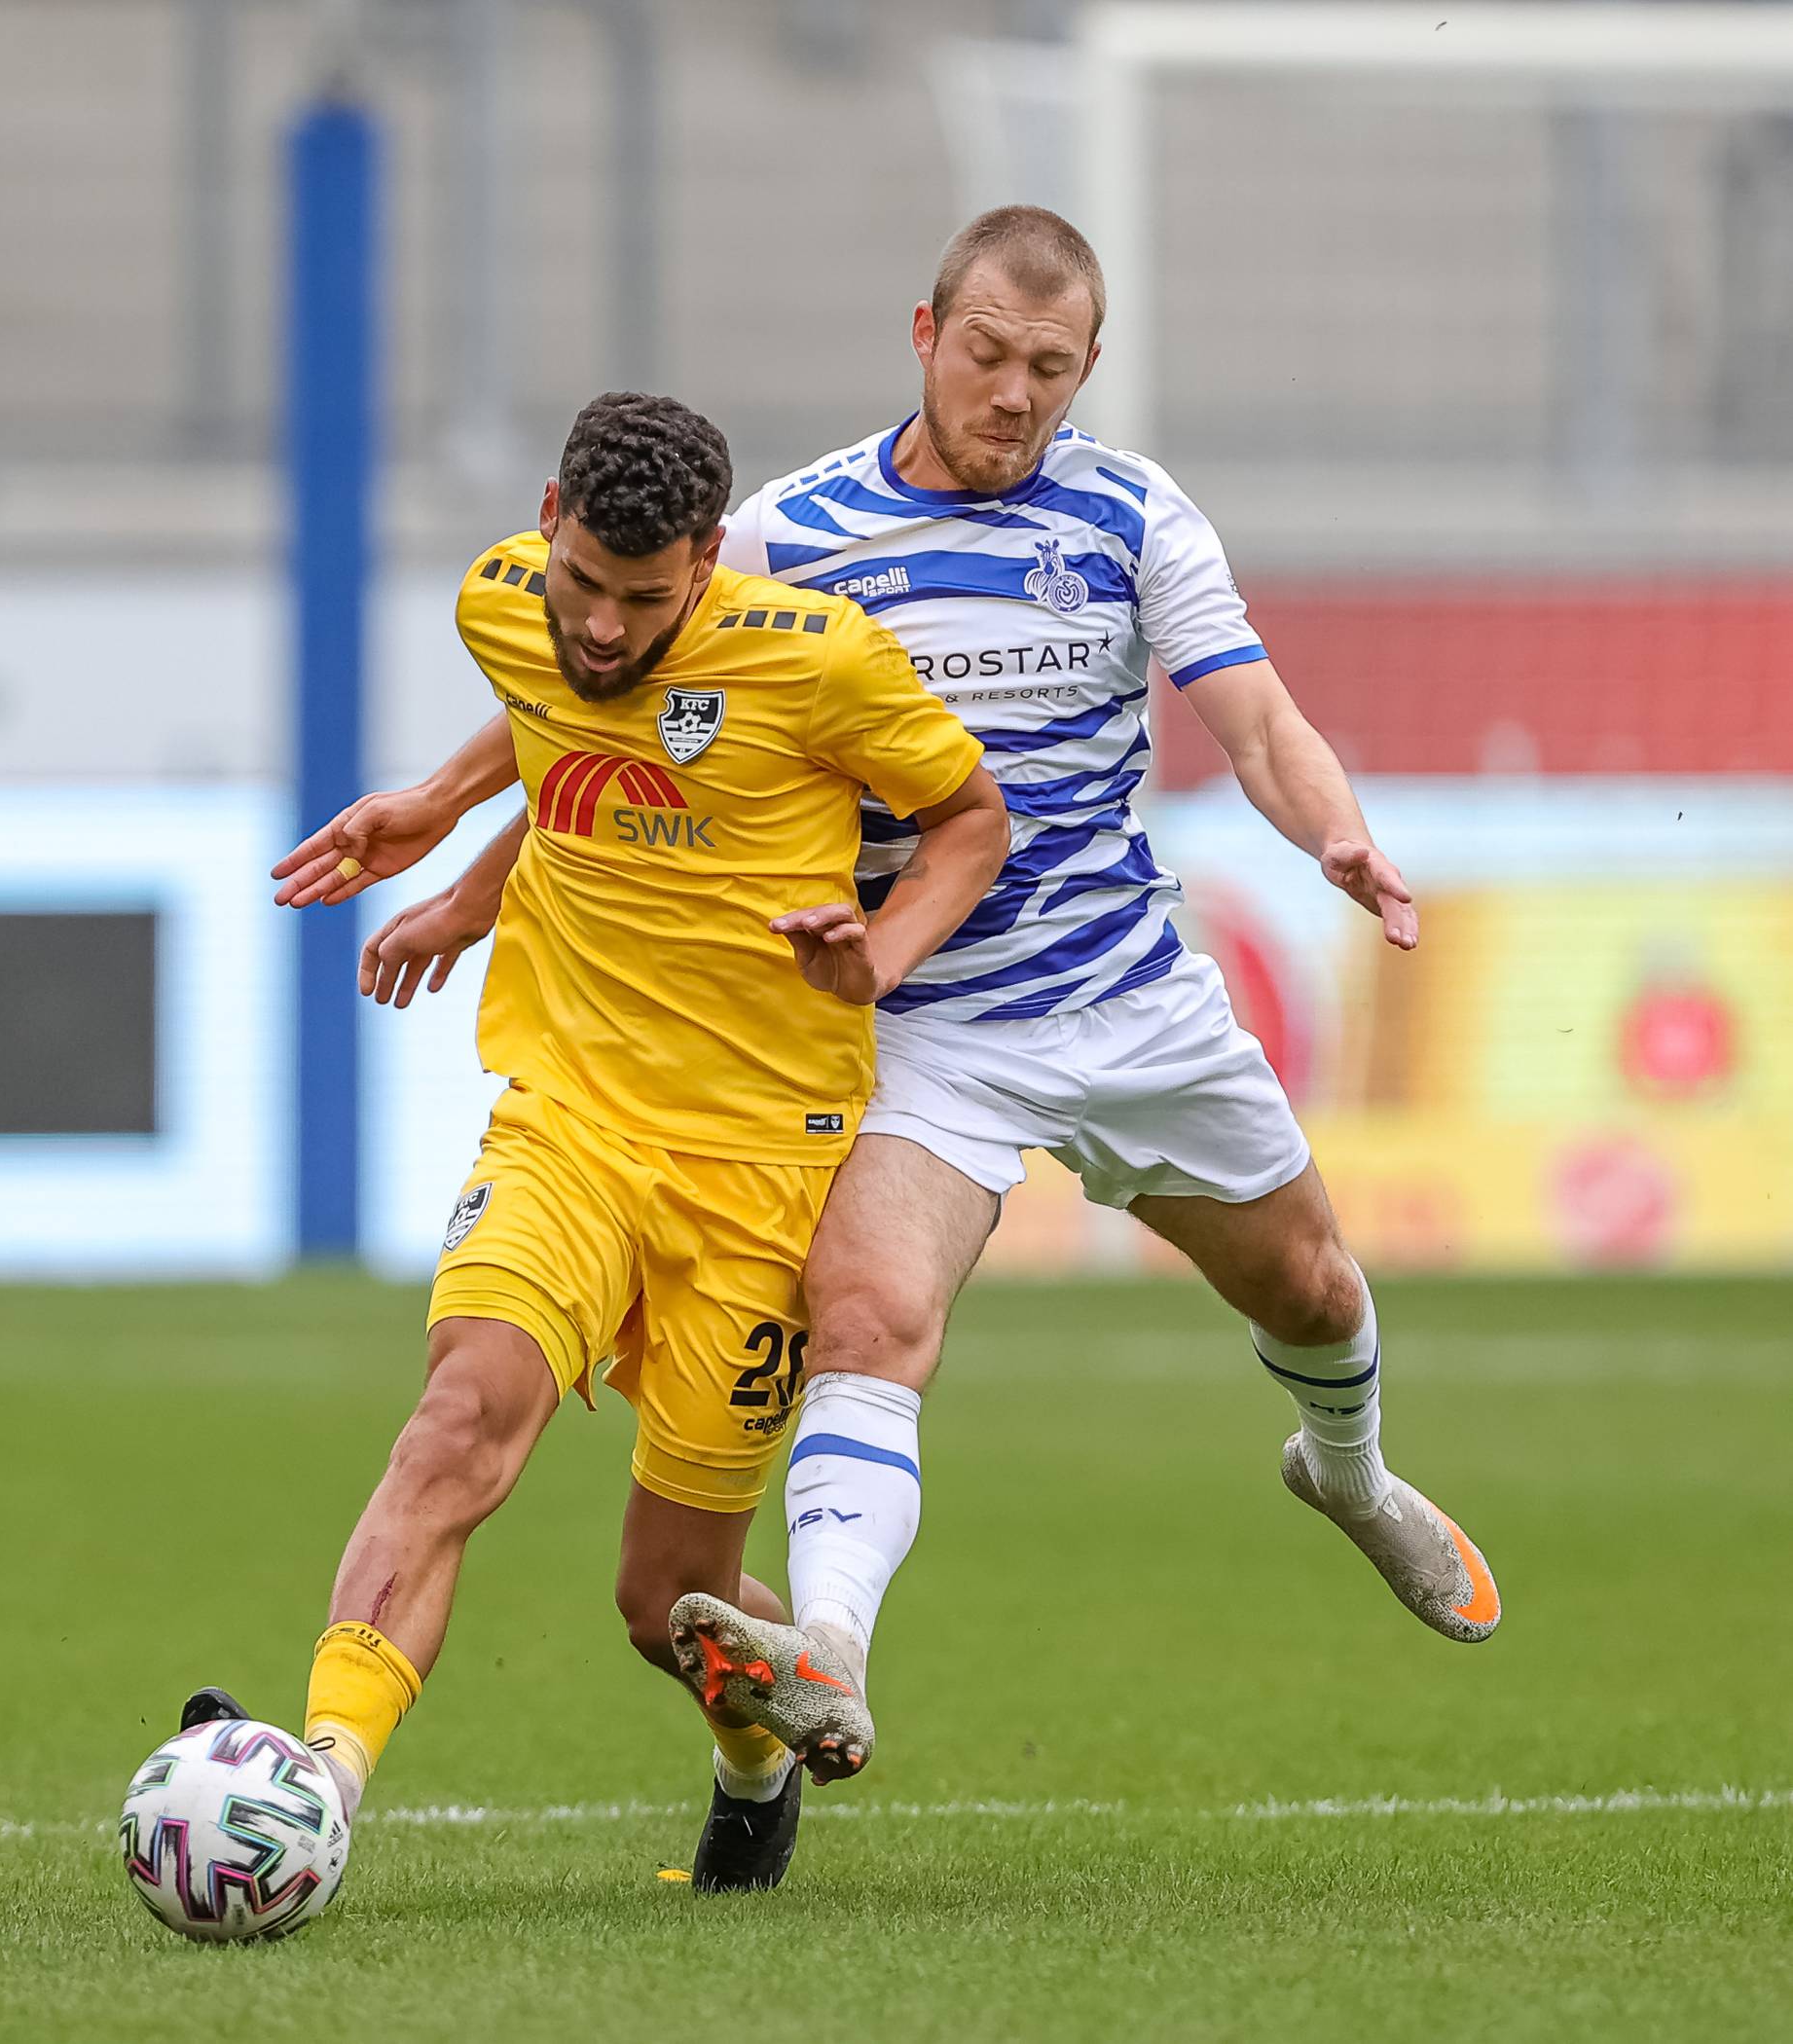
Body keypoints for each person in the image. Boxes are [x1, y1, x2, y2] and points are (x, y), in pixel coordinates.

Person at [271, 207, 1500, 1794]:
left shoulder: (1133, 515)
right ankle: (827, 1654)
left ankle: (1353, 1478)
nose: (1012, 391)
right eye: (986, 352)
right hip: (915, 1016)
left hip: (1126, 994)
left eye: (1046, 368)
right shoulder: (791, 532)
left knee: (1317, 1293)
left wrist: (1334, 828)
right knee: (868, 1319)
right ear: (925, 335)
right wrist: (453, 828)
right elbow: (617, 701)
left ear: (1087, 370)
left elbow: (1256, 720)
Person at [192, 391, 1007, 1893]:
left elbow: (972, 820)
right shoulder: (500, 601)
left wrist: (878, 959)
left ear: (709, 558)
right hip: (566, 1120)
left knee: (668, 1603)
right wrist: (442, 830)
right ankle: (317, 1784)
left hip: (767, 1162)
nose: (607, 628)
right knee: (459, 1418)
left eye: (645, 600)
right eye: (584, 583)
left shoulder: (814, 660)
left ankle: (755, 1766)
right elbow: (558, 717)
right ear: (550, 513)